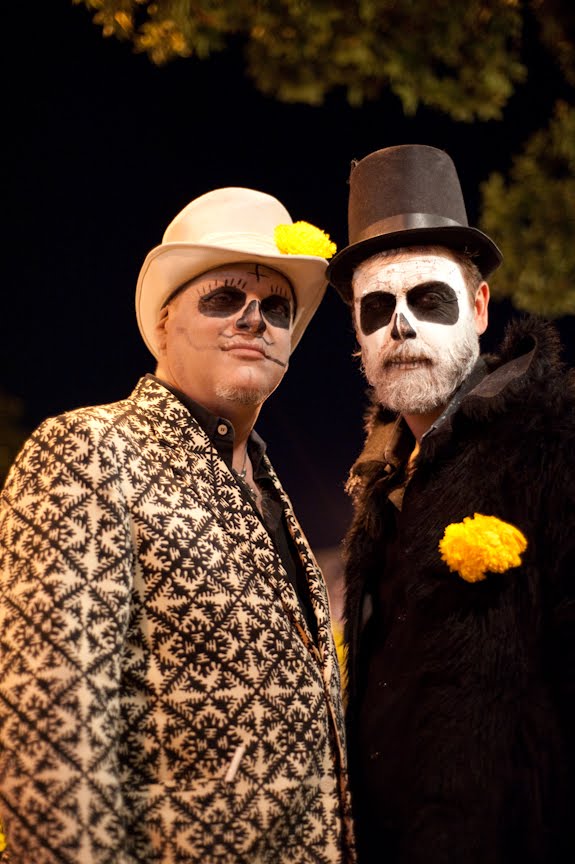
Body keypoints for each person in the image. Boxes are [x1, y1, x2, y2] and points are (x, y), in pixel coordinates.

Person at [0, 186, 356, 863]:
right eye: (223, 298)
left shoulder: (267, 487)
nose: (253, 318)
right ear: (163, 326)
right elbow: (54, 756)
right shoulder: (90, 450)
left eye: (276, 308)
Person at [326, 144, 575, 864]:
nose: (399, 325)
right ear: (357, 334)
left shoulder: (556, 442)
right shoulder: (380, 484)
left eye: (428, 298)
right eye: (377, 307)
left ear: (479, 307)